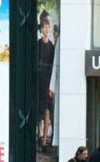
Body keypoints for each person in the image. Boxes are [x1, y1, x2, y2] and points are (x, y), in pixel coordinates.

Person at [37, 11, 55, 149]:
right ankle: (39, 135)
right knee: (39, 110)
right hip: (39, 81)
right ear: (41, 29)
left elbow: (53, 67)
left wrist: (52, 86)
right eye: (44, 27)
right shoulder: (37, 45)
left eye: (47, 27)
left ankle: (44, 140)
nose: (46, 29)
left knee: (47, 110)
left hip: (48, 82)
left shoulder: (52, 47)